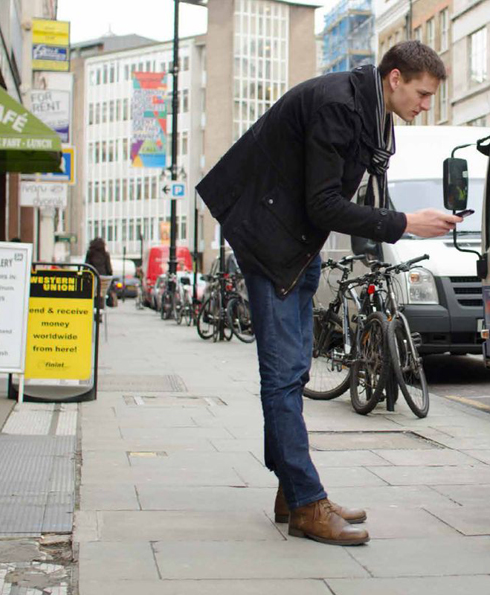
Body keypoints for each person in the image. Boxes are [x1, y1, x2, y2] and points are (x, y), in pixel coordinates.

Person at [195, 41, 460, 546]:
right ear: (395, 78)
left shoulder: (368, 109)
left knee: (292, 371)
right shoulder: (341, 106)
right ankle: (306, 504)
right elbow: (324, 204)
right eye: (423, 94)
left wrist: (407, 221)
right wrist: (406, 224)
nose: (426, 105)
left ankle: (292, 490)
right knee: (282, 374)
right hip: (269, 235)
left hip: (295, 240)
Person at [85, 237, 116, 306]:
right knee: (101, 292)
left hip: (92, 281)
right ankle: (100, 308)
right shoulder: (105, 254)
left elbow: (85, 267)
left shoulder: (90, 254)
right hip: (103, 281)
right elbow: (109, 270)